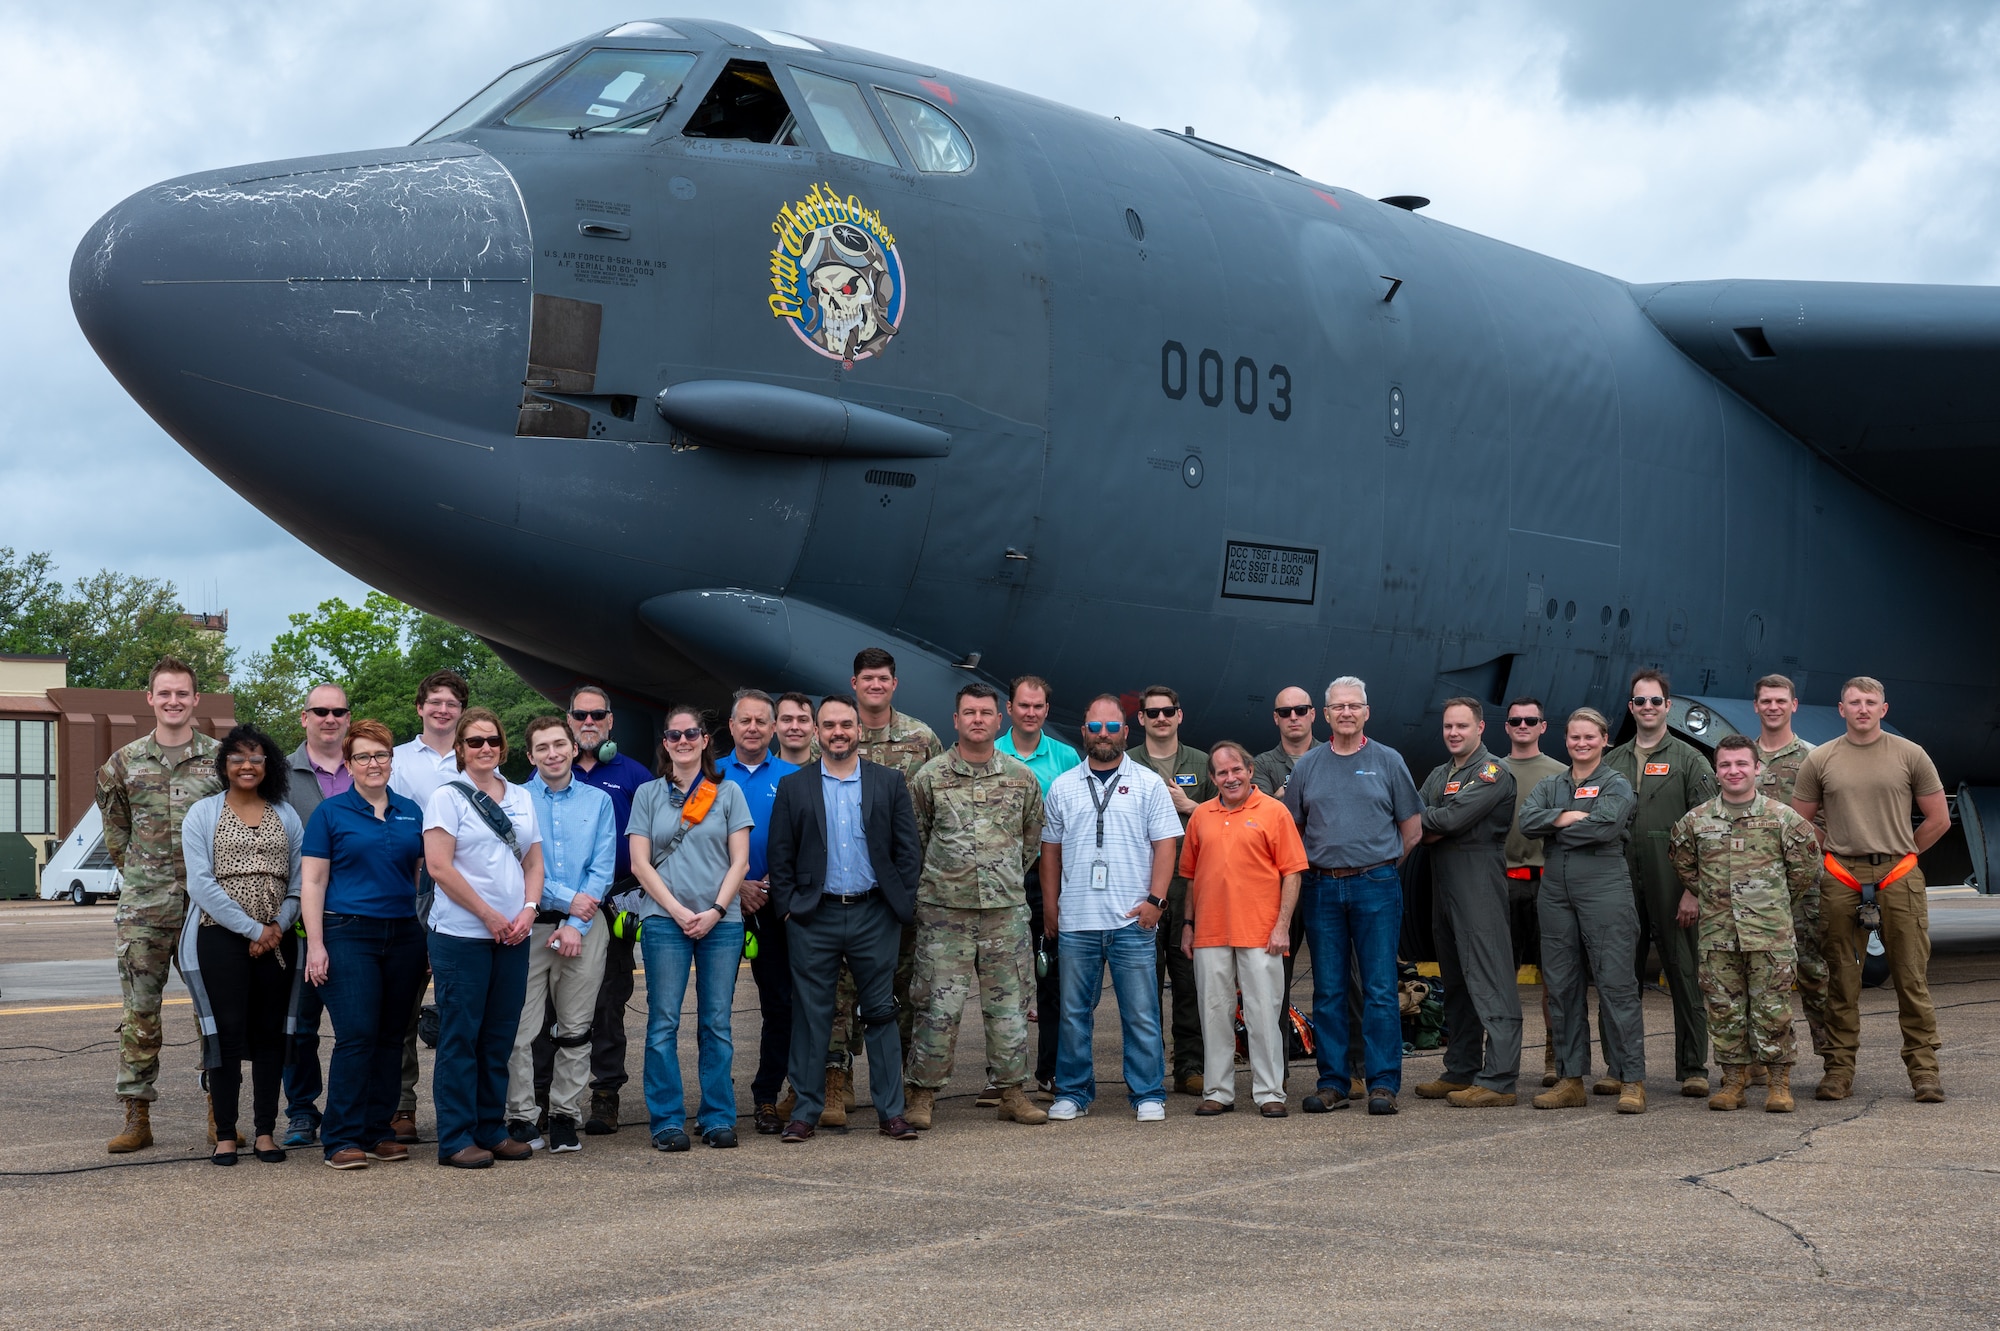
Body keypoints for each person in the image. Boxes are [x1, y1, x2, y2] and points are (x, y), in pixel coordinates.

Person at [767, 694, 924, 1143]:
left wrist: (901, 902)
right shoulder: (796, 787)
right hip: (814, 917)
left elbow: (907, 851)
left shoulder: (889, 782)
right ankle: (806, 1110)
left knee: (880, 1013)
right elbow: (780, 855)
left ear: (859, 731)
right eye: (829, 725)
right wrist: (788, 910)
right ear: (817, 732)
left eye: (846, 725)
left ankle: (891, 1113)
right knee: (812, 1016)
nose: (838, 732)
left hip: (875, 913)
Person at [1791, 677, 1950, 1103]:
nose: (1862, 708)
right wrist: (1834, 852)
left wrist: (1905, 855)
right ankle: (1838, 1071)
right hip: (1841, 875)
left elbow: (1938, 819)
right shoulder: (1821, 759)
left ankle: (1924, 1073)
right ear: (1840, 709)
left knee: (1911, 977)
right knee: (1841, 980)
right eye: (1854, 702)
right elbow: (1801, 820)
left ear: (1884, 708)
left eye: (1870, 702)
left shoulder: (1910, 754)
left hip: (1898, 872)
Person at [904, 683, 1049, 1130]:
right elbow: (917, 841)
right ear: (956, 720)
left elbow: (1031, 840)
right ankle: (922, 1095)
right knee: (936, 1009)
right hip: (945, 915)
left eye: (986, 713)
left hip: (1004, 914)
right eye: (969, 712)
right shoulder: (929, 777)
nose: (978, 720)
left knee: (1009, 1008)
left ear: (998, 719)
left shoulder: (1021, 778)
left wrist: (998, 878)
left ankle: (1011, 1091)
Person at [97, 656, 224, 1153]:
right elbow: (117, 837)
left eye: (182, 693)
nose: (173, 701)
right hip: (144, 911)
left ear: (196, 700)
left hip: (206, 909)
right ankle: (136, 1115)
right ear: (150, 699)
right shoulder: (122, 764)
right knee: (140, 1014)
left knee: (212, 1015)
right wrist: (146, 880)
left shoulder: (220, 761)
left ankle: (221, 1111)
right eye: (164, 693)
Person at [1281, 676, 1422, 1116]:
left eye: (1353, 706)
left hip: (1375, 886)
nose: (1345, 712)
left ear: (1366, 712)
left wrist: (1376, 869)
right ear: (1325, 715)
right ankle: (1333, 1083)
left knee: (1380, 988)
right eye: (1337, 706)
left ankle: (1382, 1084)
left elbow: (1411, 831)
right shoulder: (1308, 766)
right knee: (1329, 990)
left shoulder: (1389, 760)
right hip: (1321, 887)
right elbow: (1293, 829)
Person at [1040, 695, 1181, 1123]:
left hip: (1131, 920)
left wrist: (1156, 901)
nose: (1104, 735)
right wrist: (1051, 909)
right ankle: (1073, 1092)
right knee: (1072, 1014)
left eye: (1112, 727)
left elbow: (1165, 845)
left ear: (1125, 732)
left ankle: (1147, 1093)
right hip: (1077, 920)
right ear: (1083, 732)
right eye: (1096, 727)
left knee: (1140, 1013)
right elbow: (1050, 853)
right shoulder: (1063, 785)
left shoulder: (1148, 783)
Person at [821, 648, 944, 1123]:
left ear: (895, 684)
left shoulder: (921, 738)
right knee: (838, 992)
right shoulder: (832, 734)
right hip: (843, 886)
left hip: (900, 890)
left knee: (904, 991)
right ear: (854, 684)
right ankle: (837, 1083)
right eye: (867, 678)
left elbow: (933, 809)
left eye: (883, 679)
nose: (875, 685)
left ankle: (905, 1089)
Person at [300, 720, 429, 1170]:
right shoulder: (331, 813)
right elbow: (313, 881)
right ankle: (341, 1137)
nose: (373, 764)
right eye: (363, 757)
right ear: (349, 764)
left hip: (403, 934)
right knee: (357, 1035)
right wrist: (316, 944)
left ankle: (378, 1130)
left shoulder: (411, 811)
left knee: (392, 1036)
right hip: (347, 931)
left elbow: (416, 876)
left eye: (381, 755)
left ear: (392, 761)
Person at [1669, 734, 1820, 1113]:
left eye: (1741, 764)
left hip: (1769, 934)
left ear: (1757, 768)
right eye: (1725, 765)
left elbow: (1802, 871)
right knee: (1724, 1009)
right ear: (1716, 772)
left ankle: (1779, 1083)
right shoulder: (1696, 821)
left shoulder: (1783, 819)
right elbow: (1685, 866)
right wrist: (1716, 899)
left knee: (1773, 1009)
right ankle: (1734, 1081)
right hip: (1718, 935)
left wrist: (1772, 905)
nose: (1733, 771)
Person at [423, 708, 545, 1168]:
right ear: (459, 748)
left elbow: (533, 862)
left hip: (512, 935)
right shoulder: (447, 798)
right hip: (462, 935)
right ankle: (455, 1137)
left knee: (498, 1037)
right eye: (474, 742)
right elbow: (439, 867)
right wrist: (489, 915)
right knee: (461, 1036)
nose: (485, 748)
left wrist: (528, 910)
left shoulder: (520, 796)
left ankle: (490, 1129)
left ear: (503, 746)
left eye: (492, 740)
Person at [178, 724, 305, 1164]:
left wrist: (275, 926)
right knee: (225, 1035)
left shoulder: (286, 814)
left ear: (268, 764)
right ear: (224, 766)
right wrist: (254, 931)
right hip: (219, 936)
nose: (247, 765)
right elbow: (201, 884)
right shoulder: (202, 813)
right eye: (237, 758)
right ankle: (227, 1134)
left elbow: (299, 882)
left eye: (255, 757)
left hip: (278, 938)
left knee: (271, 1035)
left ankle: (267, 1131)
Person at [630, 705, 754, 1151]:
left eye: (691, 734)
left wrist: (717, 911)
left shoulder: (728, 792)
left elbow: (740, 860)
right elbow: (639, 863)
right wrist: (679, 911)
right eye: (674, 735)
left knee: (716, 1023)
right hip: (665, 921)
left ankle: (718, 1116)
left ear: (705, 740)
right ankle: (666, 1120)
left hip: (721, 923)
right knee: (663, 1023)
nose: (683, 741)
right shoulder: (647, 794)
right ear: (665, 743)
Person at [1519, 709, 1644, 1114]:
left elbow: (1605, 827)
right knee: (1562, 985)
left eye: (1589, 737)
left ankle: (1631, 1080)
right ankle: (1571, 1080)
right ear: (1567, 740)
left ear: (1605, 739)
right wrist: (1567, 816)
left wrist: (1554, 826)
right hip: (1555, 891)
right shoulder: (1551, 784)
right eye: (1574, 737)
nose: (1581, 743)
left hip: (1604, 886)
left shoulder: (1616, 783)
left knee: (1616, 984)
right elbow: (1525, 820)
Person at [1604, 669, 1718, 1099]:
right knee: (1618, 976)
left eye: (1655, 701)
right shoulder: (1612, 761)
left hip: (1673, 878)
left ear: (1668, 706)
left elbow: (1709, 829)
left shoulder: (1690, 760)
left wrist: (1693, 889)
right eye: (1640, 702)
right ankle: (1618, 1066)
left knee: (1684, 972)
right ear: (1630, 708)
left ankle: (1692, 1067)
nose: (1647, 708)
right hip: (1619, 878)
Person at [1177, 741, 1306, 1117]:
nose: (1230, 778)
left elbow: (1293, 872)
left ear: (1250, 771)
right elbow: (1190, 876)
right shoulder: (1201, 815)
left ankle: (1269, 1094)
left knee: (1264, 1012)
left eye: (1236, 770)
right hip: (1210, 931)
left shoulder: (1274, 811)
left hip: (1261, 932)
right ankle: (1218, 1091)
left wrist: (1282, 926)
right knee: (1213, 1011)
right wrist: (1188, 925)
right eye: (1221, 772)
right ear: (1213, 778)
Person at [504, 716, 614, 1154]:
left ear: (573, 749)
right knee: (520, 1030)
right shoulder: (514, 800)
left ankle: (566, 1114)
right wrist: (569, 902)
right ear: (529, 756)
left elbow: (603, 866)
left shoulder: (599, 801)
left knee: (575, 1028)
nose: (552, 753)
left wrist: (576, 922)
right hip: (528, 924)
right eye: (542, 747)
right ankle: (522, 1116)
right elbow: (518, 863)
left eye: (558, 745)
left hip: (585, 929)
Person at [1413, 698, 1522, 1108]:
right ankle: (1460, 1068)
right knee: (1456, 982)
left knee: (1489, 980)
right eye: (1447, 727)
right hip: (1444, 885)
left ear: (1480, 728)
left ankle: (1499, 1078)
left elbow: (1449, 820)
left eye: (1462, 726)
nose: (1453, 733)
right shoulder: (1442, 773)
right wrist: (1434, 823)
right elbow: (1416, 815)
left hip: (1478, 882)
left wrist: (1436, 823)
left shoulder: (1493, 772)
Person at [561, 684, 656, 1136]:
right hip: (556, 905)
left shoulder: (634, 775)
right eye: (580, 714)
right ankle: (547, 1096)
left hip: (614, 903)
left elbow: (651, 845)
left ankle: (605, 1096)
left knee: (607, 1005)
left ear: (611, 721)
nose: (589, 722)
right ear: (569, 720)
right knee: (547, 1006)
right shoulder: (550, 770)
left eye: (597, 714)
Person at [385, 667, 470, 1143]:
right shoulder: (396, 761)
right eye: (434, 702)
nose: (443, 710)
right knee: (403, 1007)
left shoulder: (479, 761)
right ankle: (402, 1108)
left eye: (452, 704)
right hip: (407, 893)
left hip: (461, 896)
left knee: (460, 1008)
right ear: (420, 708)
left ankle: (464, 1109)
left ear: (461, 711)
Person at [716, 690, 802, 1134]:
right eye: (743, 720)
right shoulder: (709, 776)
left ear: (774, 729)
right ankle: (717, 1099)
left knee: (780, 1005)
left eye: (760, 721)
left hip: (775, 906)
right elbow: (693, 842)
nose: (752, 728)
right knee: (716, 1007)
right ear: (730, 727)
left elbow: (807, 844)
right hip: (721, 905)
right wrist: (734, 887)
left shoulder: (795, 777)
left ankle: (767, 1096)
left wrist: (769, 887)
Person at [996, 674, 1080, 1097]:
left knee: (1053, 983)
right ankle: (1002, 1077)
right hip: (1000, 885)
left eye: (1038, 706)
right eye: (1023, 706)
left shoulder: (1065, 758)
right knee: (1004, 984)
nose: (1030, 713)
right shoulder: (989, 754)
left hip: (1051, 882)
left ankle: (1050, 1071)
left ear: (1046, 710)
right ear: (1008, 709)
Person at [1130, 685, 1214, 1095]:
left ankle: (1190, 1066)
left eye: (1169, 711)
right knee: (1144, 985)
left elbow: (1227, 820)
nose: (1161, 718)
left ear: (1180, 715)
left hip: (1190, 888)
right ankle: (1147, 1068)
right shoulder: (1127, 764)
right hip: (1141, 888)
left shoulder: (1203, 763)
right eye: (1153, 713)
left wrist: (1190, 807)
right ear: (1141, 718)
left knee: (1188, 981)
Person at [280, 682, 351, 1148]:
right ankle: (302, 1111)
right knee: (299, 1025)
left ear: (348, 718)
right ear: (304, 717)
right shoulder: (279, 774)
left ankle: (356, 1109)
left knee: (357, 1025)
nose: (329, 718)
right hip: (297, 920)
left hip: (357, 918)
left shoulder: (370, 767)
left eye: (338, 711)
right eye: (319, 711)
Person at [1748, 673, 1831, 1068]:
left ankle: (1834, 1062)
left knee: (1814, 970)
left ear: (1793, 706)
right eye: (1766, 701)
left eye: (1781, 700)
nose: (1774, 707)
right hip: (1751, 886)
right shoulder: (1740, 759)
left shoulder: (1814, 759)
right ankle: (1764, 1062)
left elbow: (1831, 823)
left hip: (1804, 885)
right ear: (1756, 706)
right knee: (1758, 976)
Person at [1499, 697, 1566, 1086]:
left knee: (1553, 978)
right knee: (1499, 977)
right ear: (1505, 726)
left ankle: (1554, 1058)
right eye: (1515, 720)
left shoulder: (1560, 775)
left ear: (1543, 726)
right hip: (1504, 883)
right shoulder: (1491, 771)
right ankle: (1501, 1058)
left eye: (1530, 720)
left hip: (1547, 883)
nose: (1522, 725)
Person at [1252, 684, 1318, 993]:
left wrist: (1283, 795)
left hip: (1324, 877)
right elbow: (1263, 815)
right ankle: (1279, 1043)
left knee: (1337, 977)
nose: (1293, 717)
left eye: (1300, 710)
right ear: (1275, 718)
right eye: (1285, 712)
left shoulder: (1333, 756)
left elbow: (1279, 805)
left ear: (1313, 714)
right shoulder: (1262, 764)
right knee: (1275, 979)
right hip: (1279, 883)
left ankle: (1341, 1044)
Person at [775, 691, 819, 767]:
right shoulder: (760, 775)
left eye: (803, 720)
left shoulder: (831, 772)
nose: (794, 727)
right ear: (774, 726)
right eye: (787, 720)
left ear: (814, 729)